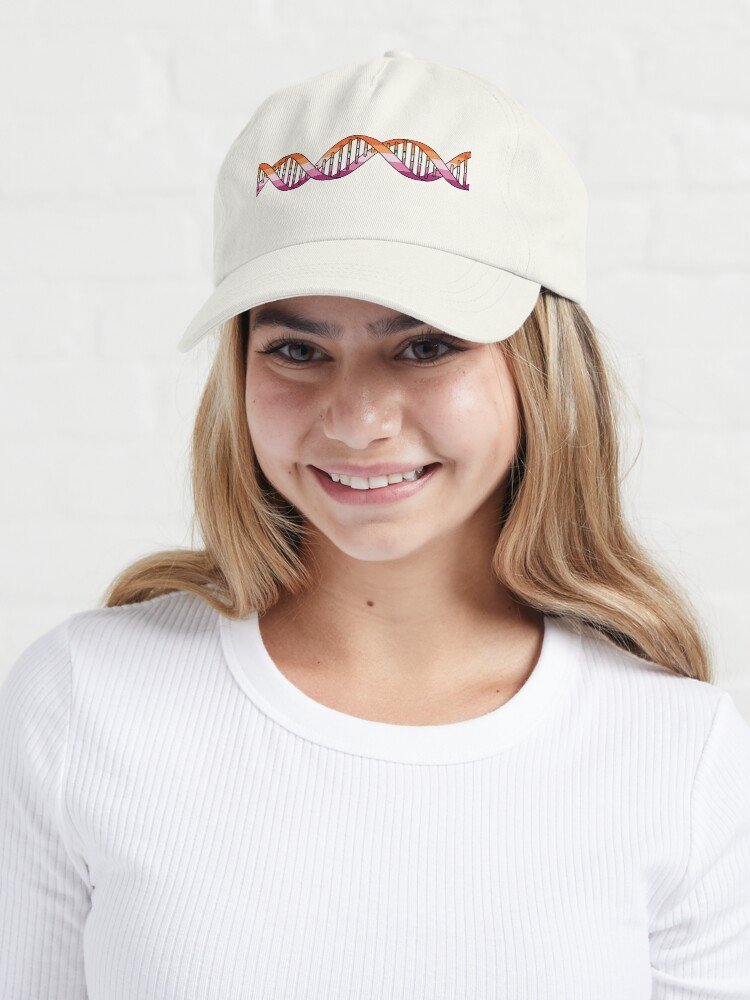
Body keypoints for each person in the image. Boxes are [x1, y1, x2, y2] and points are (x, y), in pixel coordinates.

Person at [1, 50, 749, 1000]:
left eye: (426, 345)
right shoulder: (83, 705)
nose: (357, 419)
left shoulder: (676, 755)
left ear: (542, 369)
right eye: (297, 348)